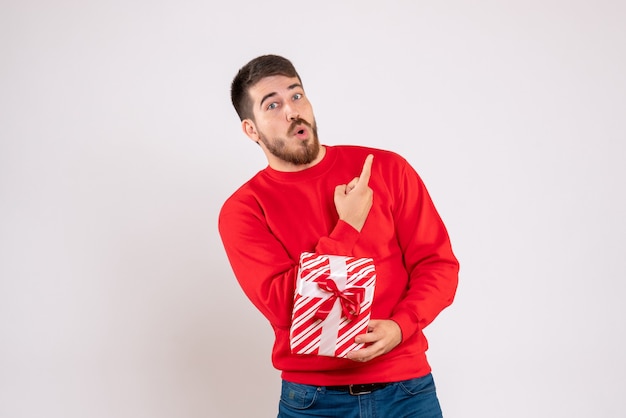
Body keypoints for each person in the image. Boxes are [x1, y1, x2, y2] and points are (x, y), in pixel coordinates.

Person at [218, 54, 459, 418]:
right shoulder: (244, 210)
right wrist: (347, 228)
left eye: (297, 95)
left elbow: (438, 265)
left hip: (408, 392)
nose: (292, 111)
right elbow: (285, 307)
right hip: (314, 401)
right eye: (273, 104)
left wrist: (401, 326)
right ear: (252, 129)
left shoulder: (386, 169)